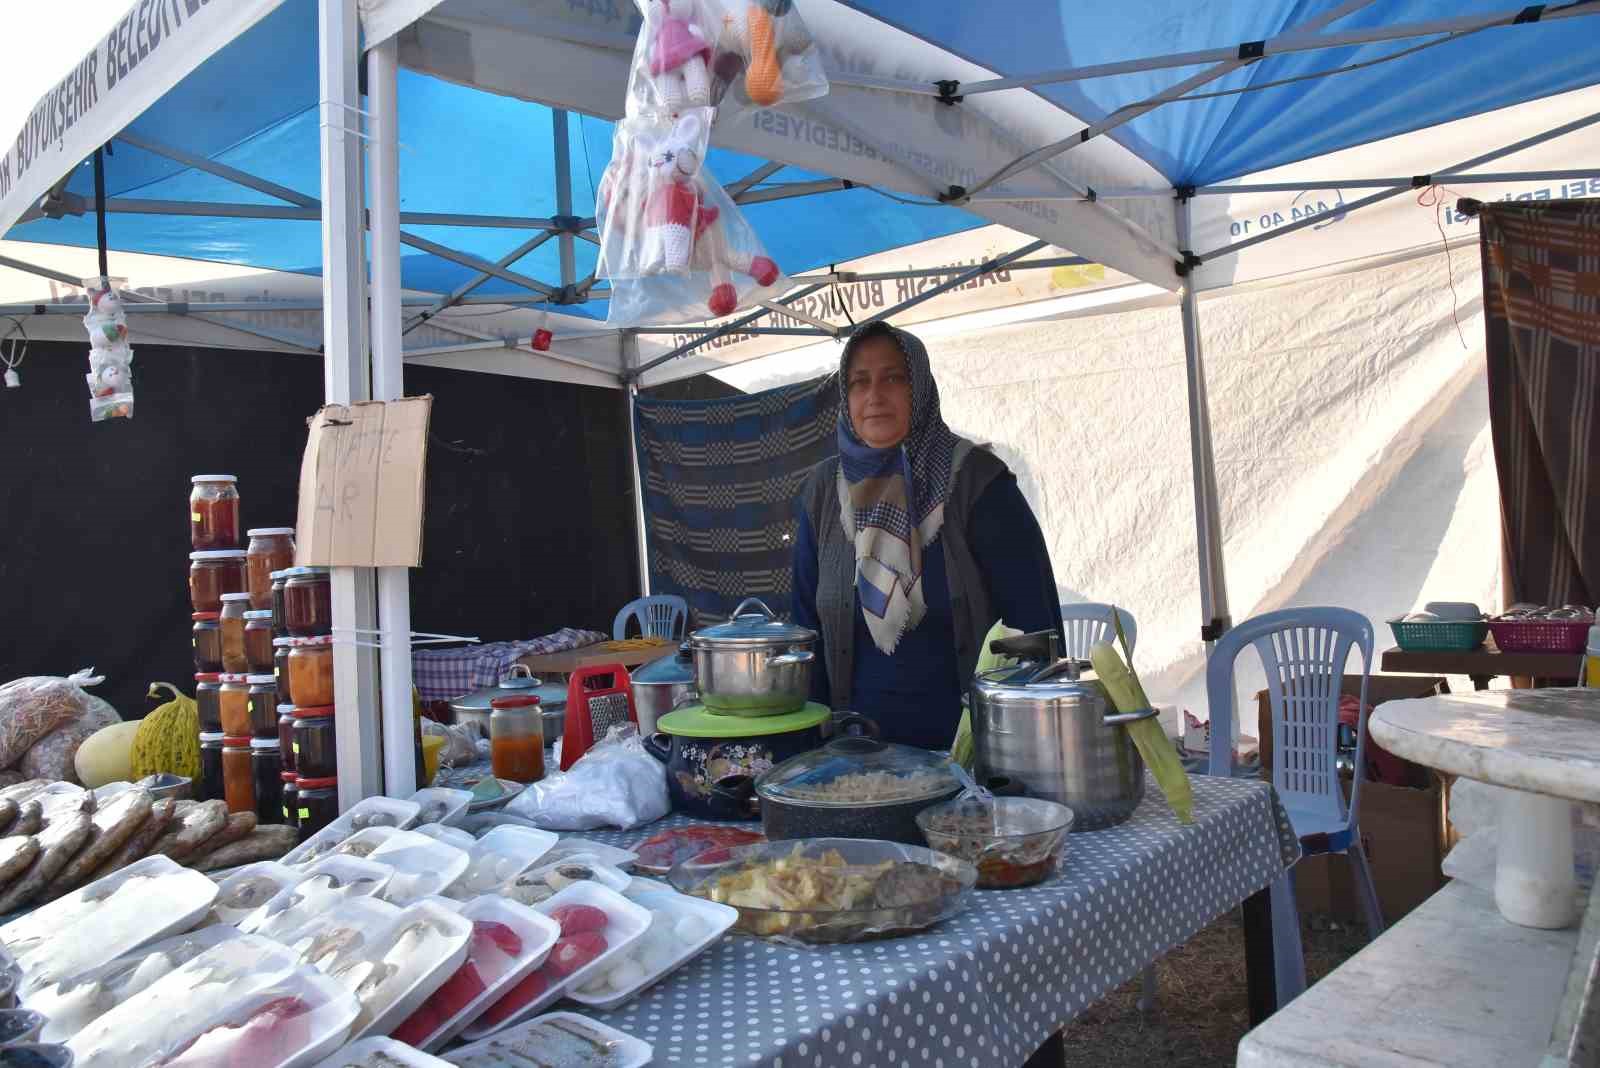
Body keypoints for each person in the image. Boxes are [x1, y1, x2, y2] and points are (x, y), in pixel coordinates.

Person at [792, 322, 1063, 749]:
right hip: (855, 761)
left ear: (919, 386)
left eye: (894, 377)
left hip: (972, 758)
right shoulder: (823, 492)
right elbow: (805, 630)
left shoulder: (979, 484)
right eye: (859, 382)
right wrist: (817, 753)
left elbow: (1031, 630)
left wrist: (1019, 754)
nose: (875, 396)